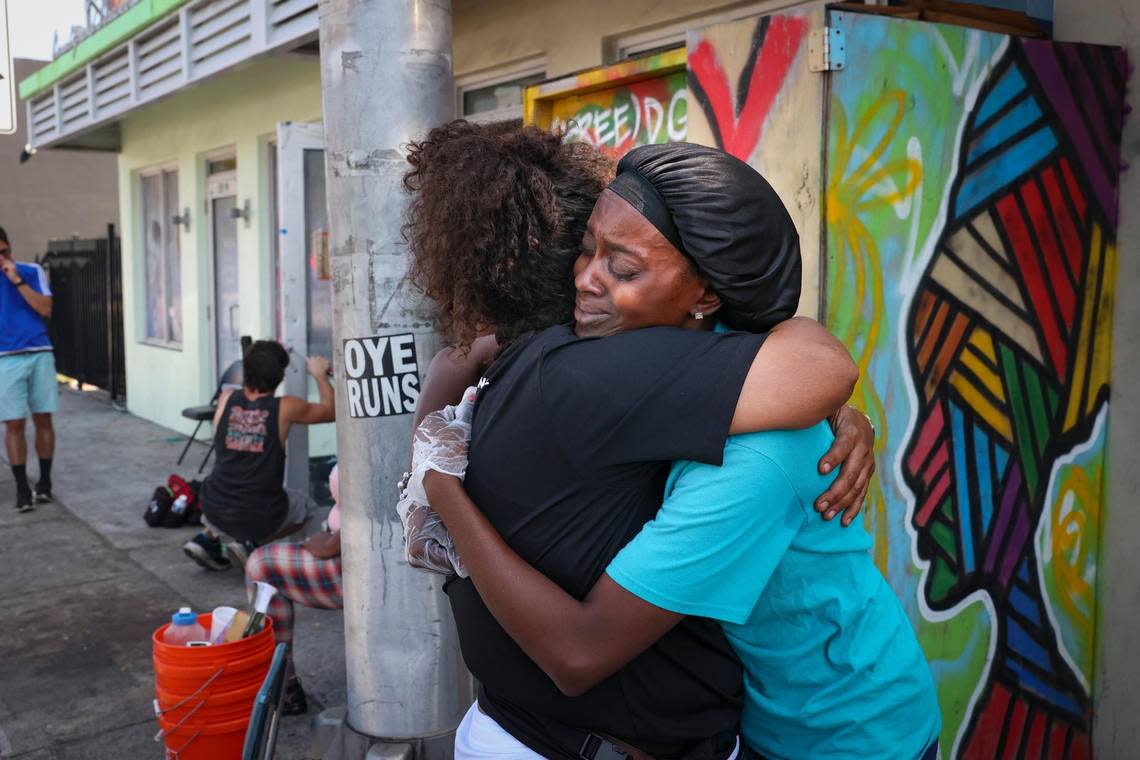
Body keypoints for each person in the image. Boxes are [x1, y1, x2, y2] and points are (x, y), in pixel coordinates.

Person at [416, 144, 940, 759]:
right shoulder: (679, 362)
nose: (586, 277)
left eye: (624, 268)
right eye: (587, 249)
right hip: (768, 719)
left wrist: (440, 486)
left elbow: (581, 650)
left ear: (705, 298)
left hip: (846, 732)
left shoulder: (753, 458)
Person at [183, 340, 335, 571]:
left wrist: (265, 358)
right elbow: (330, 411)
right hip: (259, 511)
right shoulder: (286, 407)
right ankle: (253, 543)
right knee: (308, 509)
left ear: (246, 370)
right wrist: (319, 374)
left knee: (231, 496)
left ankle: (208, 539)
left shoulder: (226, 399)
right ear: (281, 376)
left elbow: (221, 435)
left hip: (213, 503)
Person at [244, 463, 343, 715]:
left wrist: (323, 542)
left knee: (262, 565)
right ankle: (279, 681)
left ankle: (282, 686)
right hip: (350, 548)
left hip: (360, 566)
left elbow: (365, 515)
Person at [0, 226, 57, 514]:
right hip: (4, 358)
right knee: (14, 424)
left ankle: (45, 482)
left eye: (3, 251)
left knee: (43, 418)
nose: (1, 257)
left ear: (9, 247)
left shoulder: (31, 271)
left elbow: (45, 308)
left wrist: (17, 280)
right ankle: (22, 487)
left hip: (39, 352)